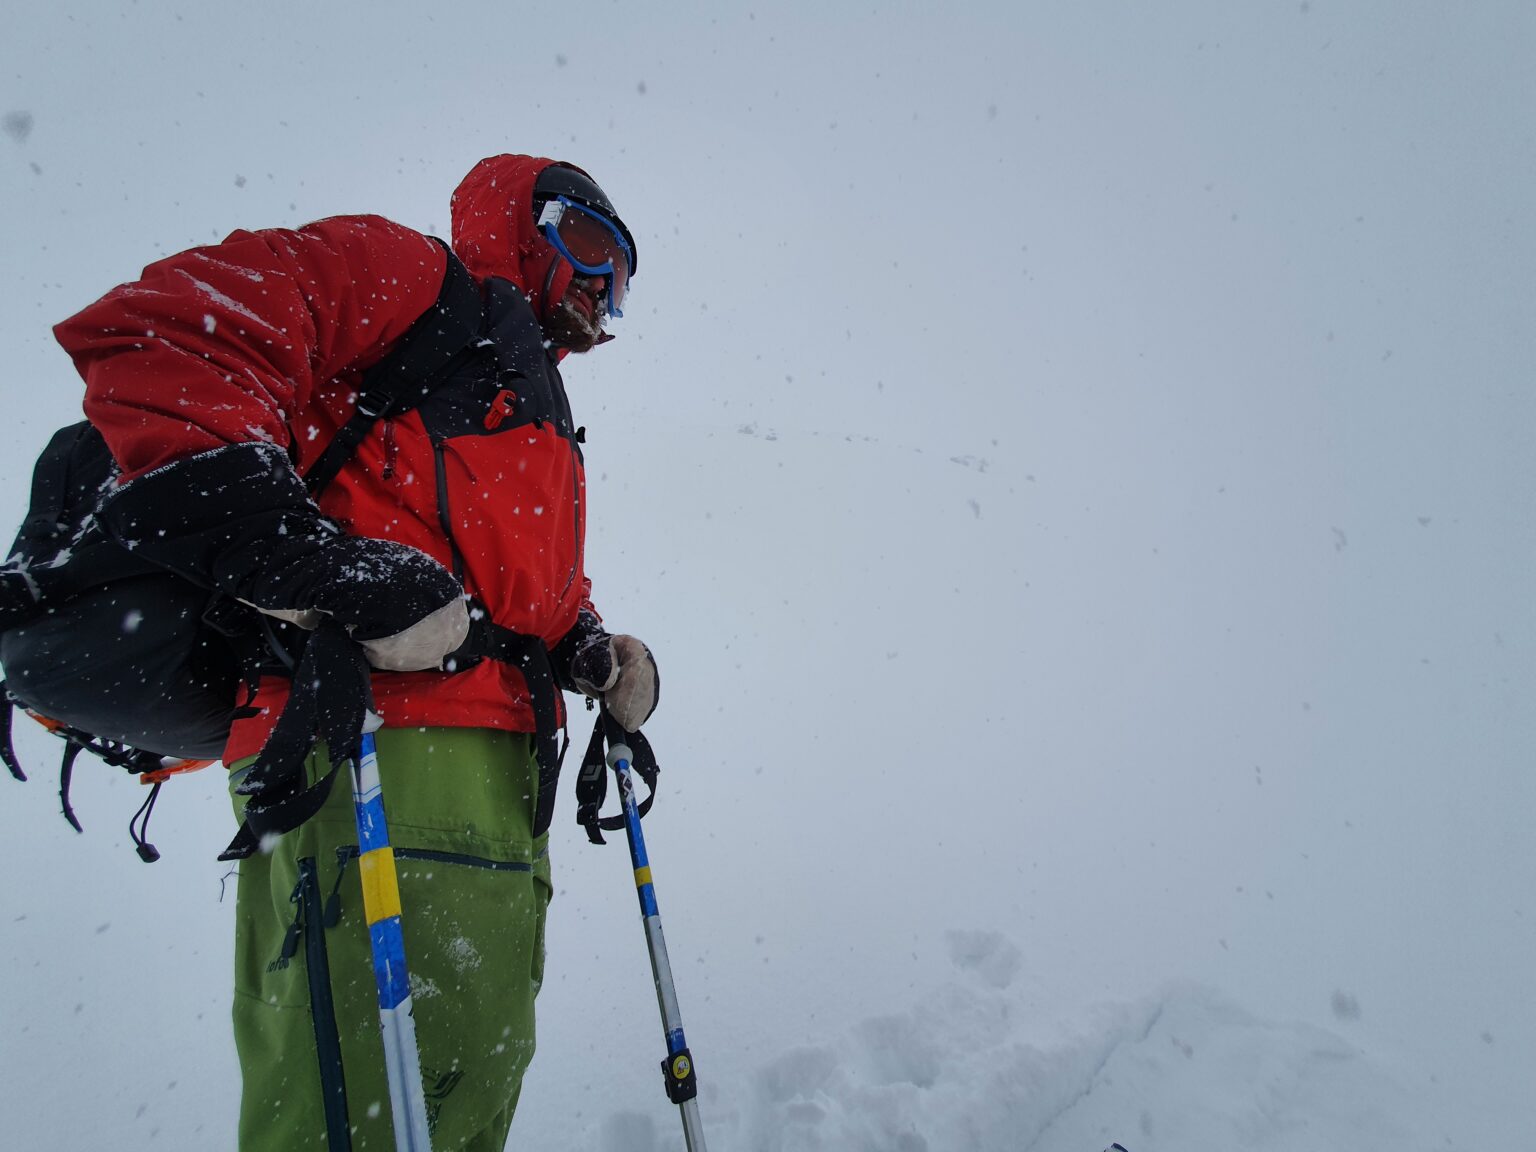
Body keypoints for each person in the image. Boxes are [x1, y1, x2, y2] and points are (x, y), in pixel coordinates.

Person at [51, 154, 659, 1150]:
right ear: (517, 221)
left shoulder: (526, 394)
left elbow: (506, 569)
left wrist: (586, 645)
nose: (600, 284)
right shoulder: (415, 285)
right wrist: (306, 565)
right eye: (585, 244)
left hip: (503, 782)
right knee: (358, 1110)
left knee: (469, 1077)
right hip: (370, 750)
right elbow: (167, 324)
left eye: (621, 275)